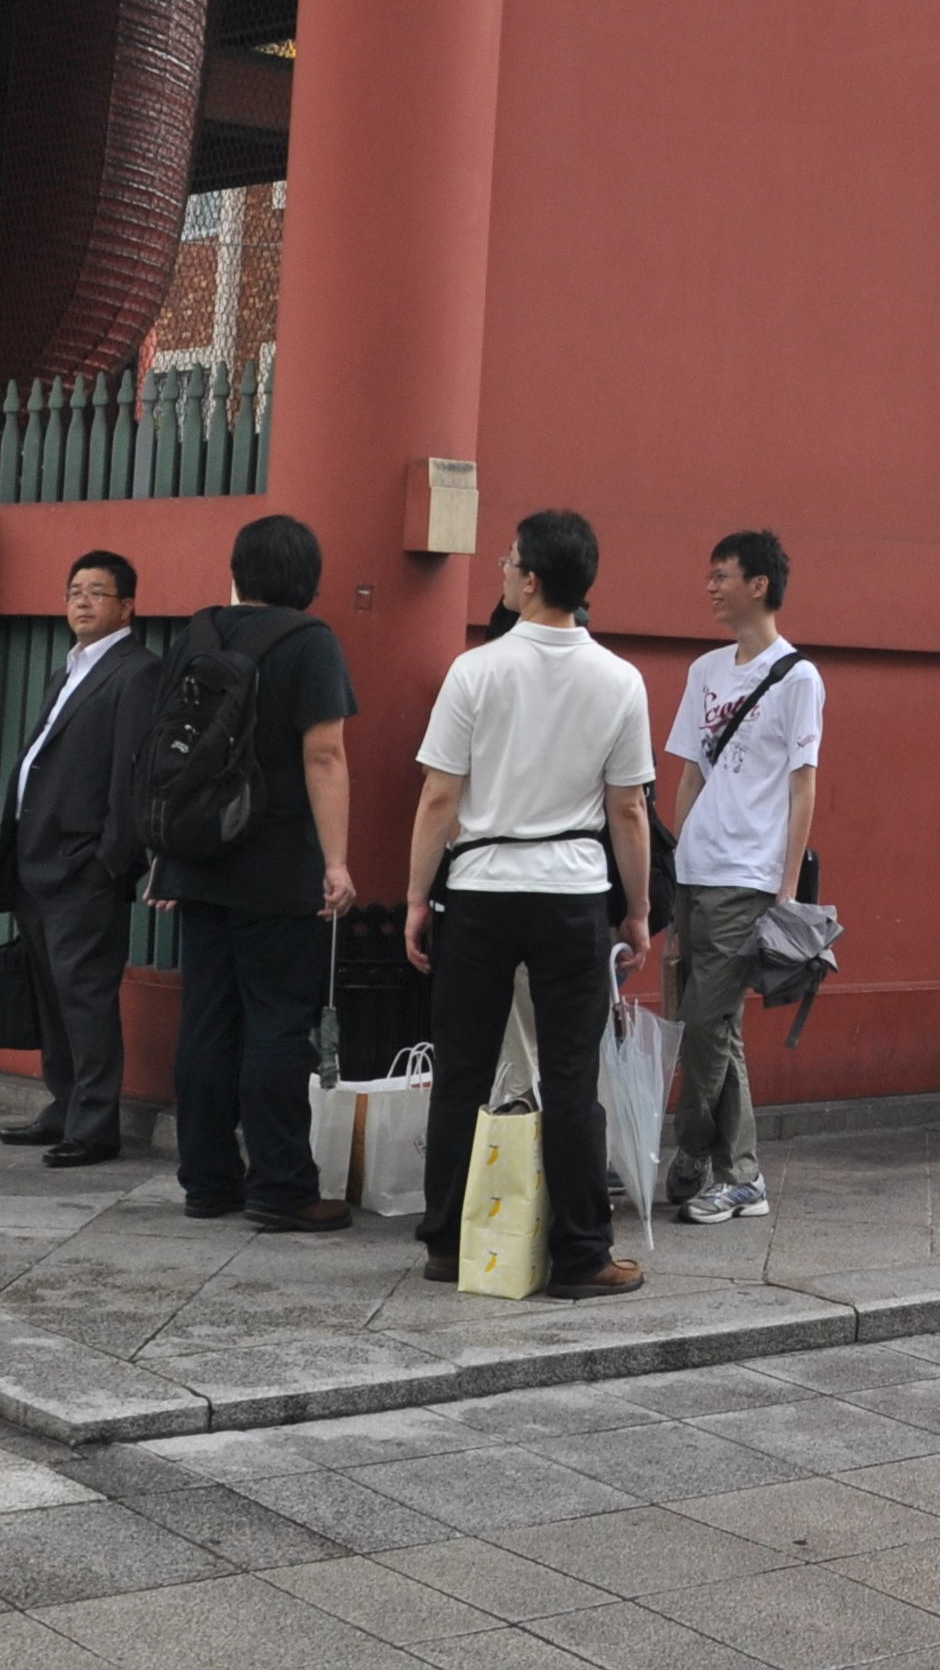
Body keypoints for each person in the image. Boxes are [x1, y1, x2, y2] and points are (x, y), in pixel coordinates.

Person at [407, 508, 654, 1300]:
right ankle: (581, 1253)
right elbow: (628, 808)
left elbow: (440, 796)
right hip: (573, 892)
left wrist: (416, 896)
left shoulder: (475, 671)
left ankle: (447, 1241)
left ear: (533, 580)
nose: (503, 571)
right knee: (573, 1075)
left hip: (480, 889)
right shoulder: (620, 680)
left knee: (463, 1071)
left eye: (510, 560)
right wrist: (638, 909)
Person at [161, 513, 361, 1230]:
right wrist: (335, 861)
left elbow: (168, 752)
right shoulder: (310, 643)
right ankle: (282, 1186)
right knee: (278, 1022)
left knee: (206, 1020)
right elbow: (324, 755)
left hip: (200, 854)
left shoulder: (197, 636)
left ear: (237, 571)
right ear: (308, 578)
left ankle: (208, 1180)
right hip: (277, 860)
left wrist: (166, 855)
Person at [660, 527, 821, 1227]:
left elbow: (803, 785)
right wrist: (676, 860)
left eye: (721, 575)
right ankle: (741, 1175)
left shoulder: (798, 677)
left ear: (759, 584)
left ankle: (696, 1150)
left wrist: (784, 888)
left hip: (747, 874)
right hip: (695, 870)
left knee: (705, 1022)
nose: (710, 586)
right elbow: (690, 773)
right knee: (712, 1024)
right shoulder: (705, 671)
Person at [0, 550, 159, 1167]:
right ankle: (64, 1105)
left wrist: (109, 860)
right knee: (51, 994)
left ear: (127, 606)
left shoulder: (136, 671)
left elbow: (131, 775)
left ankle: (94, 1125)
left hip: (84, 866)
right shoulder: (68, 668)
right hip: (36, 860)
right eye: (74, 591)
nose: (82, 601)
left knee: (86, 996)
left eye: (96, 592)